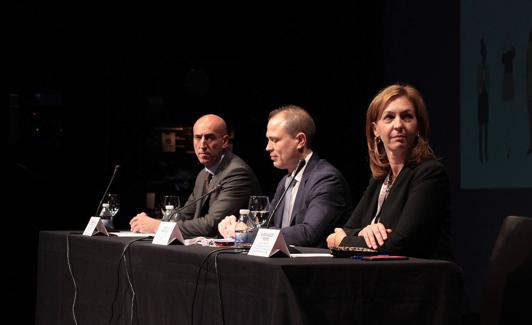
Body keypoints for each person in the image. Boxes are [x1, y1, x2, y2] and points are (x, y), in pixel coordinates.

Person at [326, 84, 452, 259]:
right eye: (389, 117)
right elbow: (347, 229)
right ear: (375, 129)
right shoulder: (380, 179)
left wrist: (342, 242)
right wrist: (365, 231)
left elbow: (401, 244)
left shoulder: (430, 173)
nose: (398, 125)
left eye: (407, 117)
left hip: (421, 279)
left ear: (418, 127)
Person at [218, 105, 352, 247]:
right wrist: (238, 225)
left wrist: (247, 234)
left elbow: (308, 233)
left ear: (300, 140)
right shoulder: (285, 181)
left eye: (274, 140)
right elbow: (267, 225)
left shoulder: (326, 179)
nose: (268, 147)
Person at [130, 114, 262, 238]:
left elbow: (211, 224)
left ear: (225, 141)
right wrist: (149, 222)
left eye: (209, 137)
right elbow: (184, 215)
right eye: (198, 137)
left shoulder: (237, 172)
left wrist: (158, 227)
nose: (202, 145)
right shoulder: (204, 174)